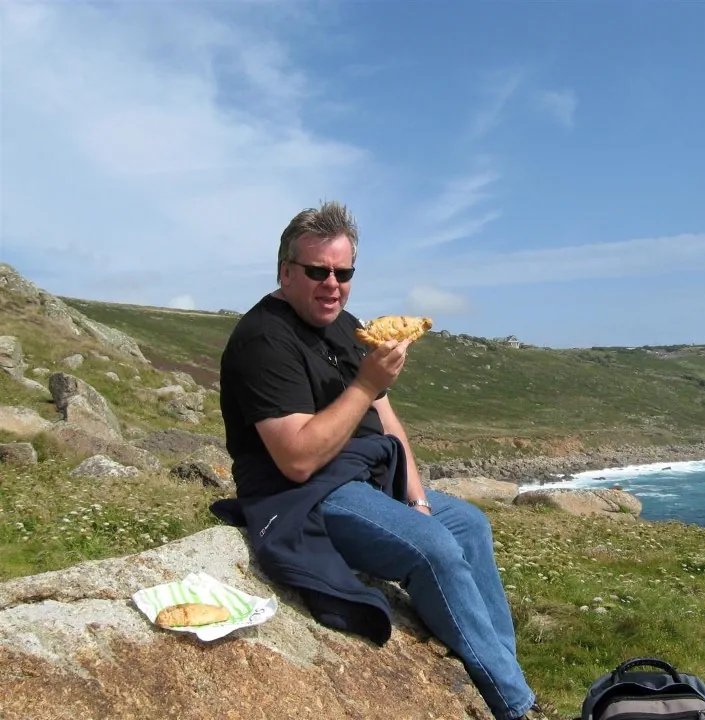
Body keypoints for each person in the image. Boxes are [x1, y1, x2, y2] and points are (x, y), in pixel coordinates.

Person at [211, 201, 547, 720]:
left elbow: (389, 424)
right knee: (433, 549)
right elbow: (297, 459)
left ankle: (505, 677)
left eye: (343, 273)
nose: (332, 284)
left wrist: (415, 498)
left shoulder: (348, 328)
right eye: (317, 271)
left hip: (368, 476)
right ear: (285, 271)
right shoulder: (263, 339)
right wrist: (367, 383)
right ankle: (515, 707)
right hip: (305, 495)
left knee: (470, 526)